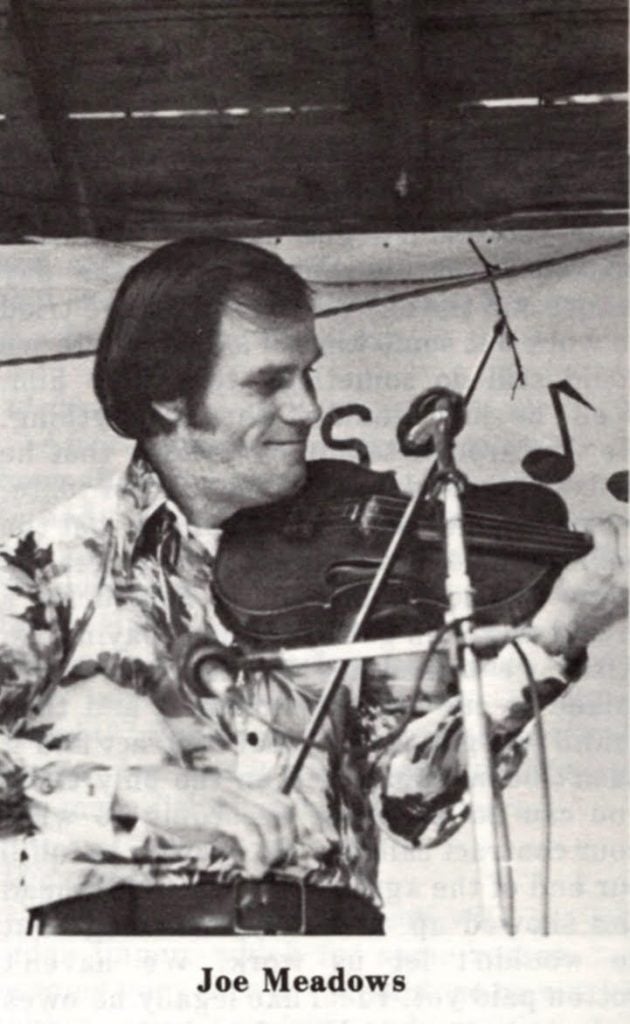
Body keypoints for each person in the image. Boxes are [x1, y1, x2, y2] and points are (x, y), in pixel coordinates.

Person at [0, 237, 625, 935]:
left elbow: (411, 805)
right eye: (268, 382)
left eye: (308, 375)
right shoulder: (50, 561)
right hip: (123, 968)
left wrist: (556, 636)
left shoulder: (363, 571)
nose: (307, 409)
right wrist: (128, 791)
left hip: (329, 965)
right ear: (169, 398)